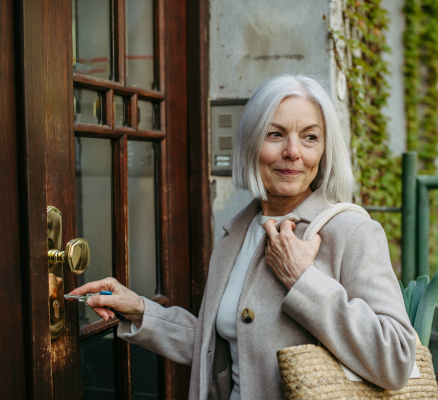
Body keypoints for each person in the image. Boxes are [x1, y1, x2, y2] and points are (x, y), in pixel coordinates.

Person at [70, 74, 417, 400]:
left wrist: (303, 279)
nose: (294, 152)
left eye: (310, 137)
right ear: (251, 143)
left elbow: (397, 359)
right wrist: (139, 309)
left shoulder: (351, 232)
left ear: (325, 150)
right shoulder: (237, 233)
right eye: (275, 134)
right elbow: (222, 347)